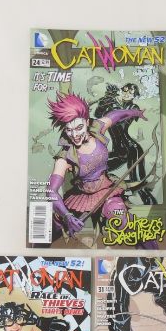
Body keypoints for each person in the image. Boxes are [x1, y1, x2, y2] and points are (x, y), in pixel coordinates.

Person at [46, 92, 147, 241]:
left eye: (79, 127)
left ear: (87, 122)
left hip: (107, 189)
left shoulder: (97, 128)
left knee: (122, 220)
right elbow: (51, 191)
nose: (74, 135)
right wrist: (66, 216)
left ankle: (148, 248)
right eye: (69, 130)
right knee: (54, 229)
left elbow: (116, 115)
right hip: (81, 197)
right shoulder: (65, 157)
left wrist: (136, 112)